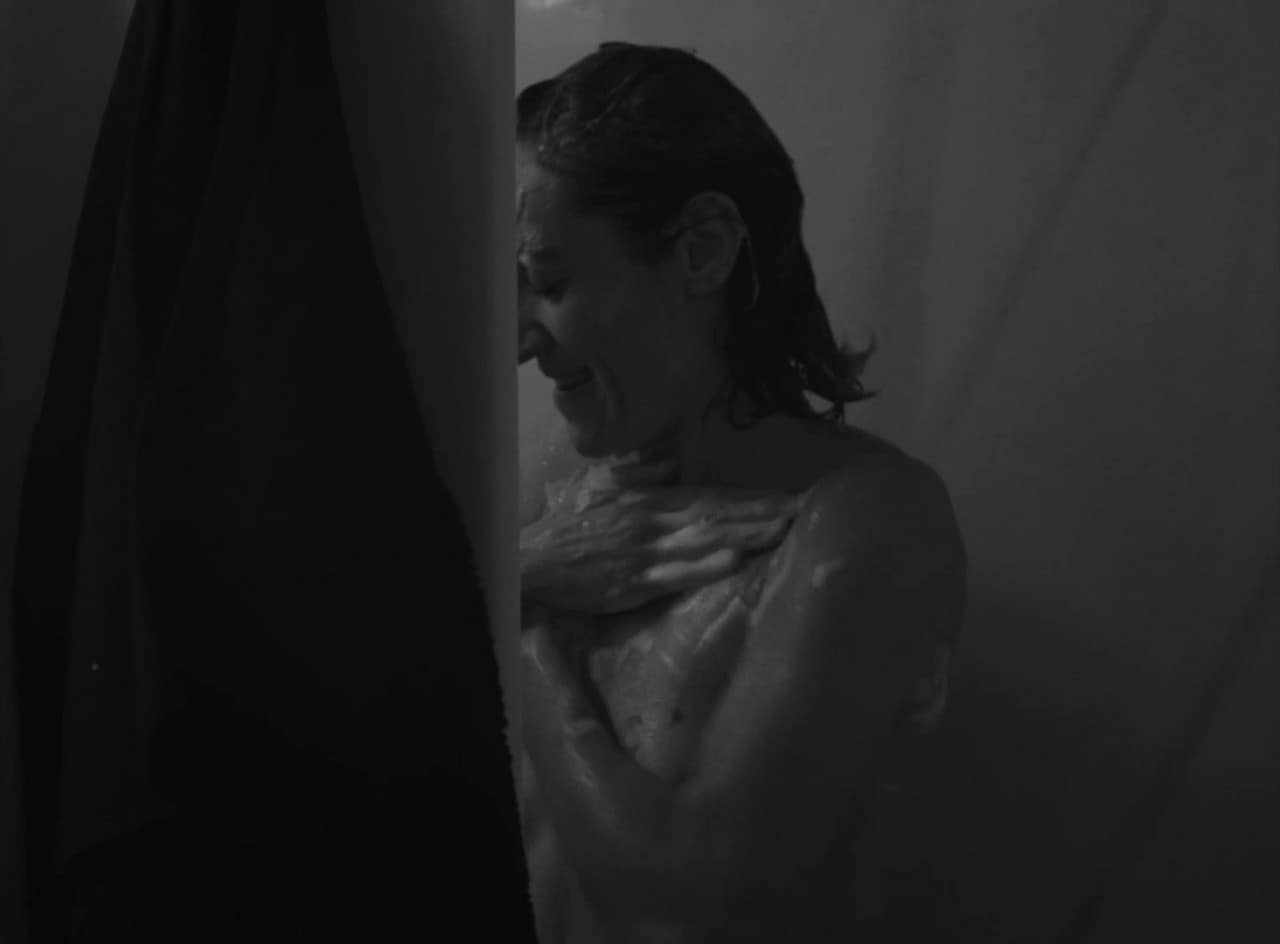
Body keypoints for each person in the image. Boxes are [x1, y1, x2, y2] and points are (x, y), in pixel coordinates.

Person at [516, 41, 966, 942]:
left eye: (550, 282)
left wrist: (516, 620)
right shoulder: (567, 480)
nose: (520, 340)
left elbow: (685, 899)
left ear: (703, 249)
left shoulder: (866, 523)